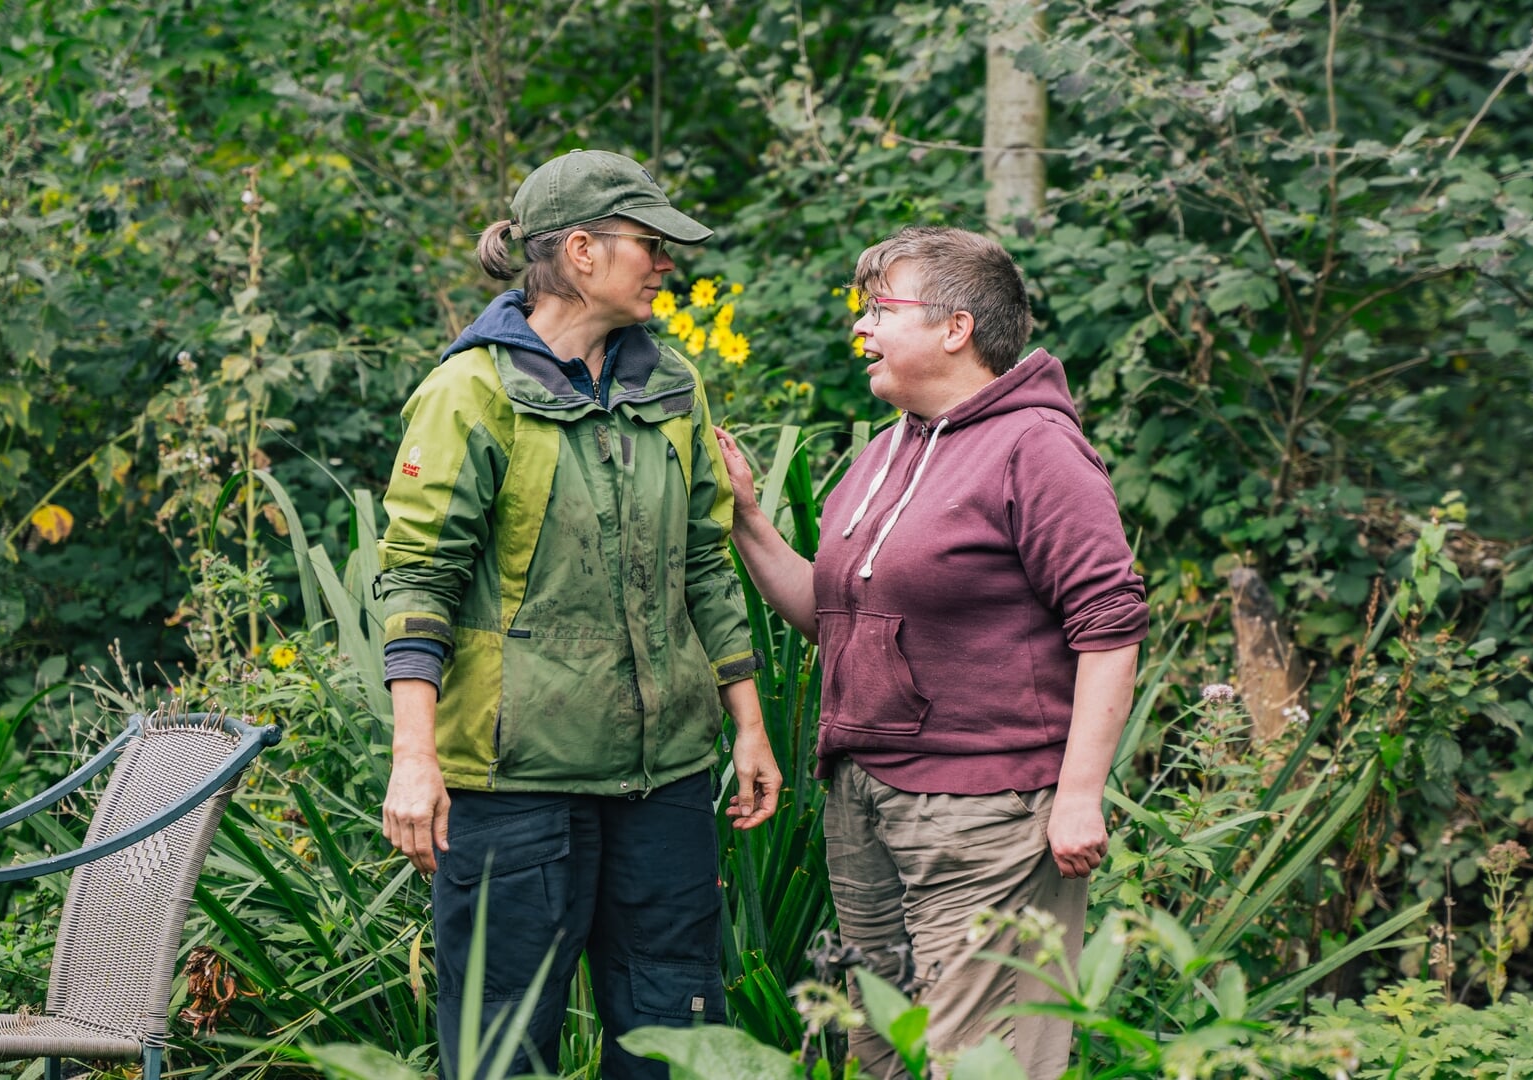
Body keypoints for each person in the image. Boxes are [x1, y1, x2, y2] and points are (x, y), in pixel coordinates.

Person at [376, 149, 782, 1079]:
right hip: (513, 788)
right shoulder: (470, 392)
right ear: (584, 252)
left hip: (663, 781)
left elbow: (702, 563)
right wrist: (414, 758)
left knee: (674, 1041)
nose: (666, 263)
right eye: (651, 244)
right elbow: (416, 582)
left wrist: (746, 727)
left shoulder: (671, 383)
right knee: (499, 1049)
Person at [716, 226, 1149, 1078]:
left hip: (987, 812)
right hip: (866, 801)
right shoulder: (885, 451)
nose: (861, 330)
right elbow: (830, 613)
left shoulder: (1038, 448)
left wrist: (1079, 796)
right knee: (879, 1048)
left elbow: (1110, 628)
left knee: (981, 1059)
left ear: (956, 327)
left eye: (882, 310)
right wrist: (748, 521)